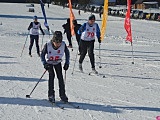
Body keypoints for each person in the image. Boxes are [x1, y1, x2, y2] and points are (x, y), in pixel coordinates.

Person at [41, 31, 70, 103]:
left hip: (58, 62)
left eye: (59, 42)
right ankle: (51, 94)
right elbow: (42, 55)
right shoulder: (48, 45)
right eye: (56, 43)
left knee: (60, 77)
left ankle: (62, 95)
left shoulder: (63, 44)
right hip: (49, 63)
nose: (58, 44)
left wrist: (67, 63)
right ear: (53, 41)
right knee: (52, 76)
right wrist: (44, 63)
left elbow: (67, 53)